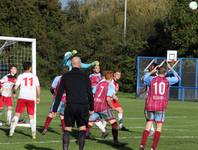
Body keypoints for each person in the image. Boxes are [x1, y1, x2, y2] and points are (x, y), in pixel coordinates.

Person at [52, 56, 94, 150]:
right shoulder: (85, 76)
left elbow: (59, 94)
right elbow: (90, 93)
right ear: (80, 64)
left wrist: (54, 109)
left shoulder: (65, 76)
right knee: (82, 128)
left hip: (70, 105)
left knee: (67, 128)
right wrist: (91, 107)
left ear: (71, 64)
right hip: (82, 106)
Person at [139, 63, 180, 150]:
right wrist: (171, 69)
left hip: (150, 105)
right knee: (159, 127)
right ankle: (153, 148)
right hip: (160, 106)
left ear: (157, 71)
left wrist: (151, 72)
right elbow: (178, 78)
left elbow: (142, 79)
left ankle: (142, 145)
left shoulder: (151, 79)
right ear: (165, 73)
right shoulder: (167, 80)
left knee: (148, 125)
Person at [86, 71, 124, 146]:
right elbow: (108, 99)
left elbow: (93, 94)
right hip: (103, 107)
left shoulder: (99, 83)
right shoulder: (110, 85)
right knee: (114, 123)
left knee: (90, 122)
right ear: (112, 77)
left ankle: (82, 138)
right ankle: (115, 141)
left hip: (94, 105)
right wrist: (113, 107)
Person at [9, 61, 40, 139]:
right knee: (31, 116)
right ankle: (33, 134)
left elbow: (15, 87)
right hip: (31, 98)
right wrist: (38, 97)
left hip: (22, 97)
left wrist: (14, 93)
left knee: (17, 114)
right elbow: (38, 88)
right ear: (30, 68)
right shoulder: (34, 76)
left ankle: (11, 132)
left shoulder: (20, 76)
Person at [42, 67, 68, 135]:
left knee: (51, 113)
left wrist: (54, 94)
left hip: (58, 99)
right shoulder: (69, 79)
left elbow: (52, 88)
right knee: (62, 115)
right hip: (65, 100)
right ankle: (64, 130)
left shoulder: (58, 78)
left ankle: (45, 128)